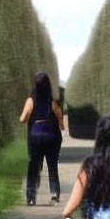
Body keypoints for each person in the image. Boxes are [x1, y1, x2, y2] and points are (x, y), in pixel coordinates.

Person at [18, 72, 64, 205]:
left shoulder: (30, 101)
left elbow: (22, 119)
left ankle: (31, 196)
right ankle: (54, 194)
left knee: (33, 166)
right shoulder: (52, 102)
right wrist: (60, 125)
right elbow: (60, 120)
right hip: (51, 137)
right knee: (52, 166)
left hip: (35, 138)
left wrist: (28, 119)